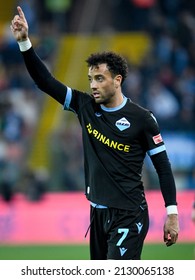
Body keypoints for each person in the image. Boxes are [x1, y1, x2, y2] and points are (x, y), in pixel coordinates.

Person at [10, 6, 179, 260]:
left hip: (128, 214)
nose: (93, 85)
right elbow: (45, 81)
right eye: (90, 79)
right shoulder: (85, 106)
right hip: (97, 214)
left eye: (100, 78)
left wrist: (172, 214)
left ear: (118, 80)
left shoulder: (142, 119)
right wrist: (24, 42)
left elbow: (163, 168)